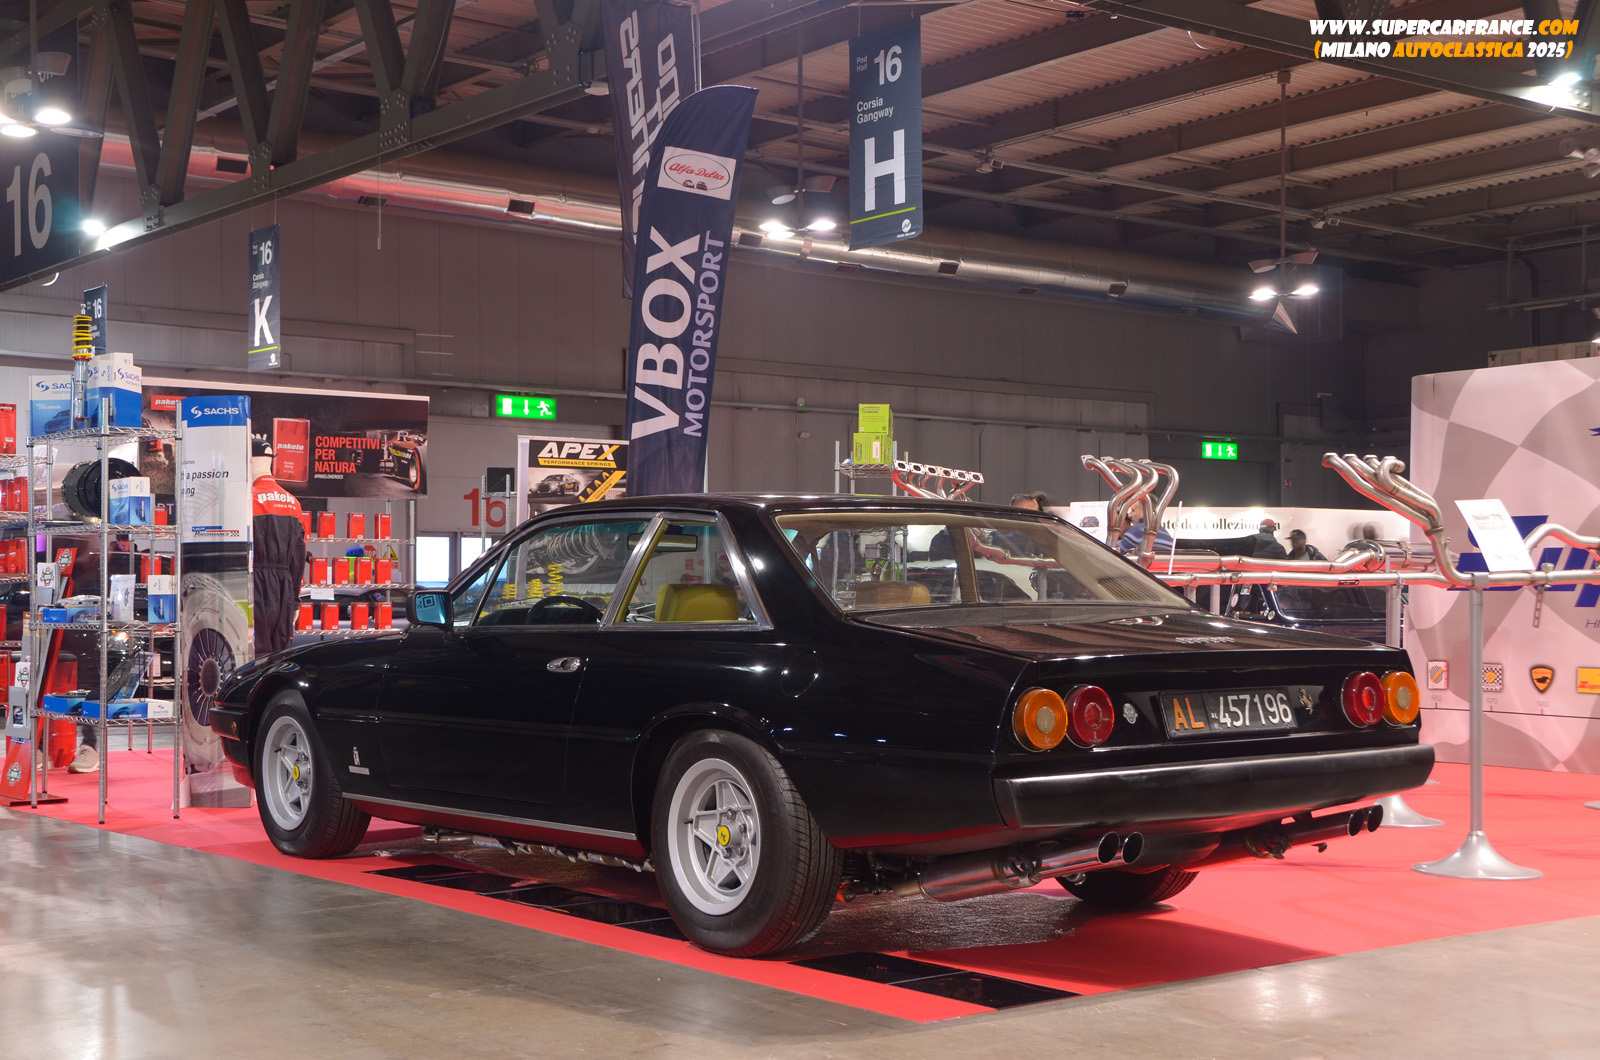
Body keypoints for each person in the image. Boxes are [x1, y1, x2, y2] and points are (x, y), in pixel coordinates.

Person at [251, 437, 307, 655]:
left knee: (255, 655)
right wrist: (295, 600)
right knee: (280, 655)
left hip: (254, 585)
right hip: (285, 588)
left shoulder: (248, 499)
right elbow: (298, 558)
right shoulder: (294, 503)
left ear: (249, 461)